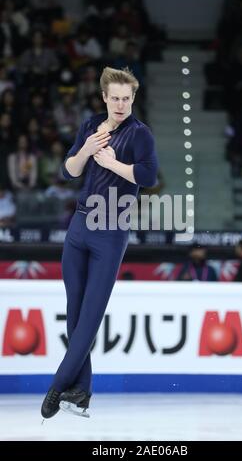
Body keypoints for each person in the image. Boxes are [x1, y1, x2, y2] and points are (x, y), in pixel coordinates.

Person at [41, 66, 158, 419]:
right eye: (115, 98)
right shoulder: (91, 125)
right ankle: (82, 392)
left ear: (132, 99)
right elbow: (70, 171)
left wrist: (112, 162)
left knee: (90, 316)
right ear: (104, 97)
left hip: (111, 230)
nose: (121, 104)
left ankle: (58, 386)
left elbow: (149, 176)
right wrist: (87, 149)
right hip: (79, 227)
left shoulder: (140, 134)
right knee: (74, 314)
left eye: (127, 98)